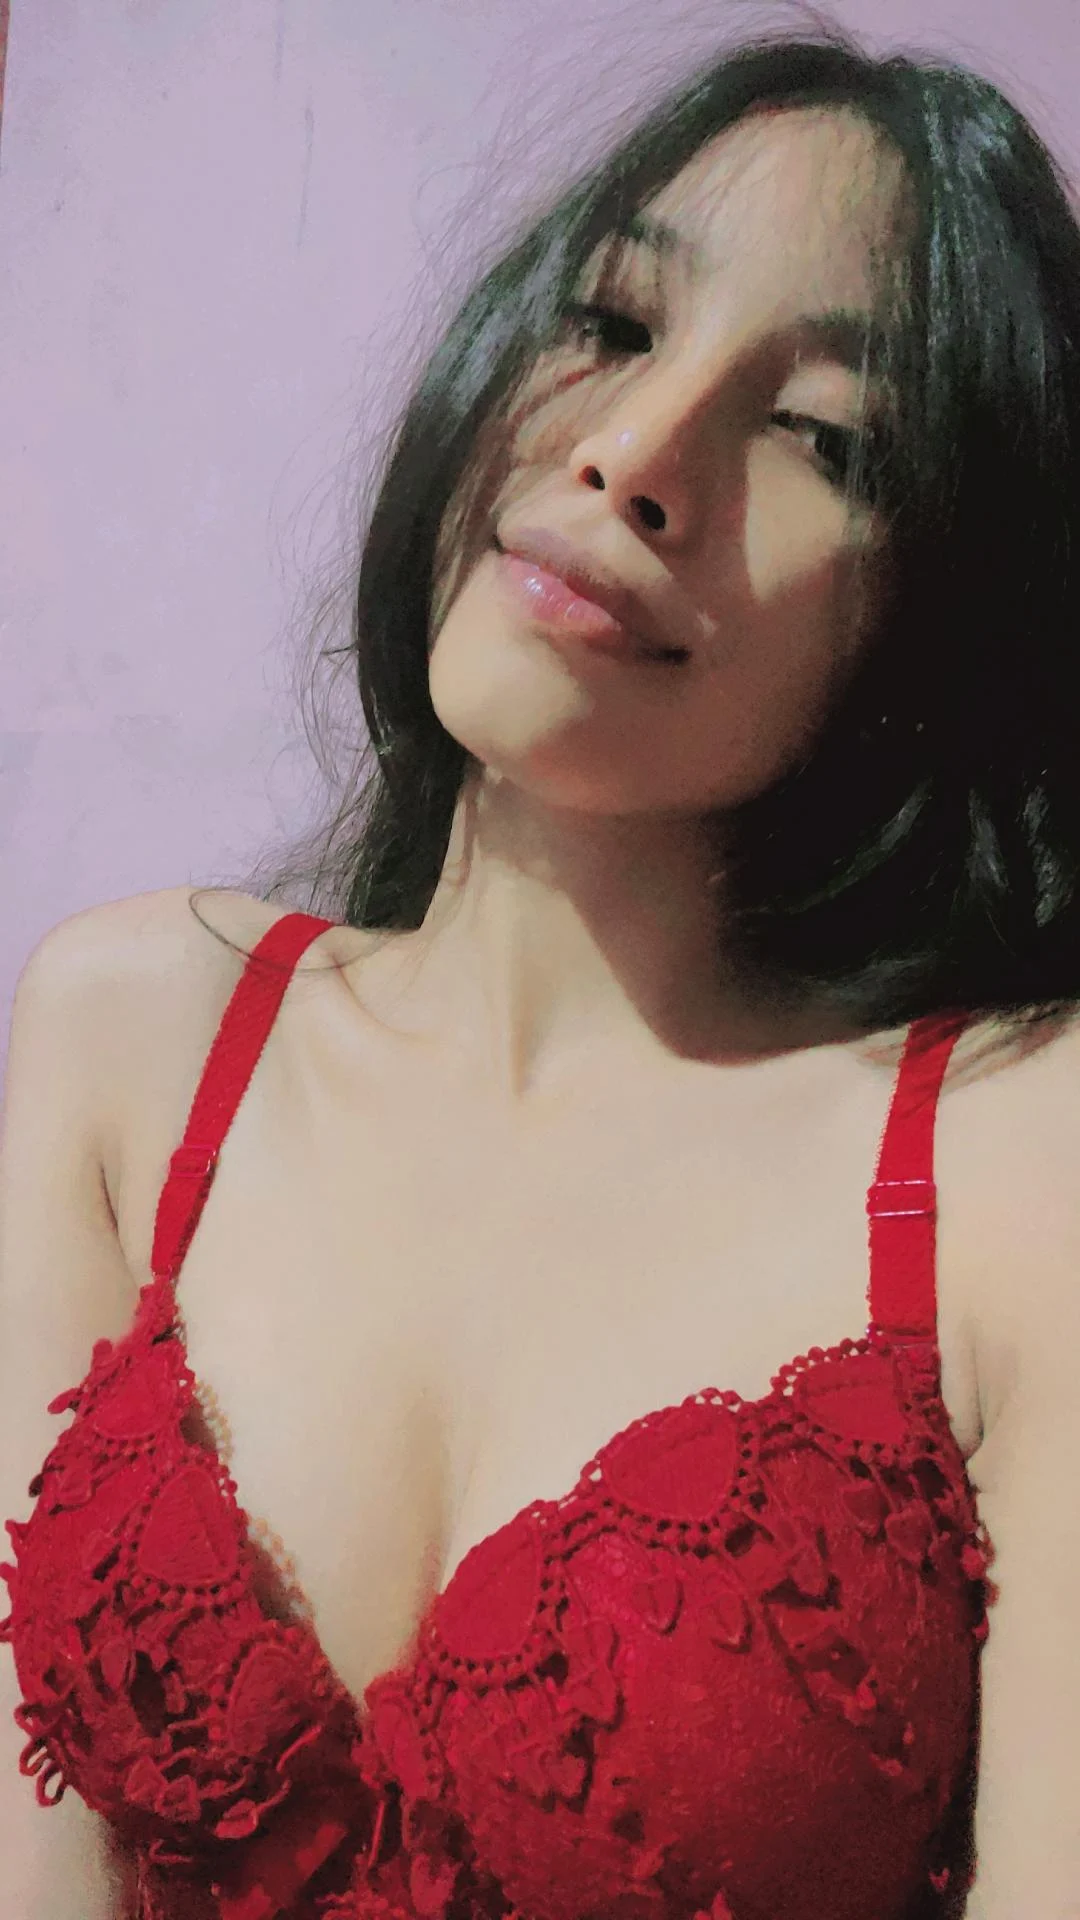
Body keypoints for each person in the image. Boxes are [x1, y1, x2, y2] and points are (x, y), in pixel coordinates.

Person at [2, 17, 1079, 1920]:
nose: (636, 455)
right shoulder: (131, 1038)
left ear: (946, 608)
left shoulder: (1017, 1165)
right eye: (613, 321)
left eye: (822, 436)